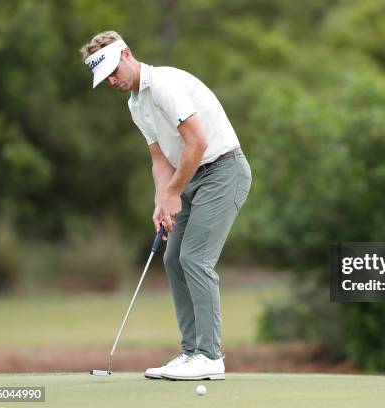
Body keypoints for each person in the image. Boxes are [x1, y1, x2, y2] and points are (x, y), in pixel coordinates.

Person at [80, 31, 251, 381]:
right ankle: (191, 352)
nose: (112, 80)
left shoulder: (162, 85)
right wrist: (162, 198)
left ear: (126, 54)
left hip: (224, 170)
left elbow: (198, 142)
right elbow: (159, 159)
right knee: (173, 258)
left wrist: (174, 193)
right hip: (191, 178)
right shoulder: (135, 104)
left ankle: (210, 356)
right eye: (105, 77)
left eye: (114, 70)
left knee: (195, 258)